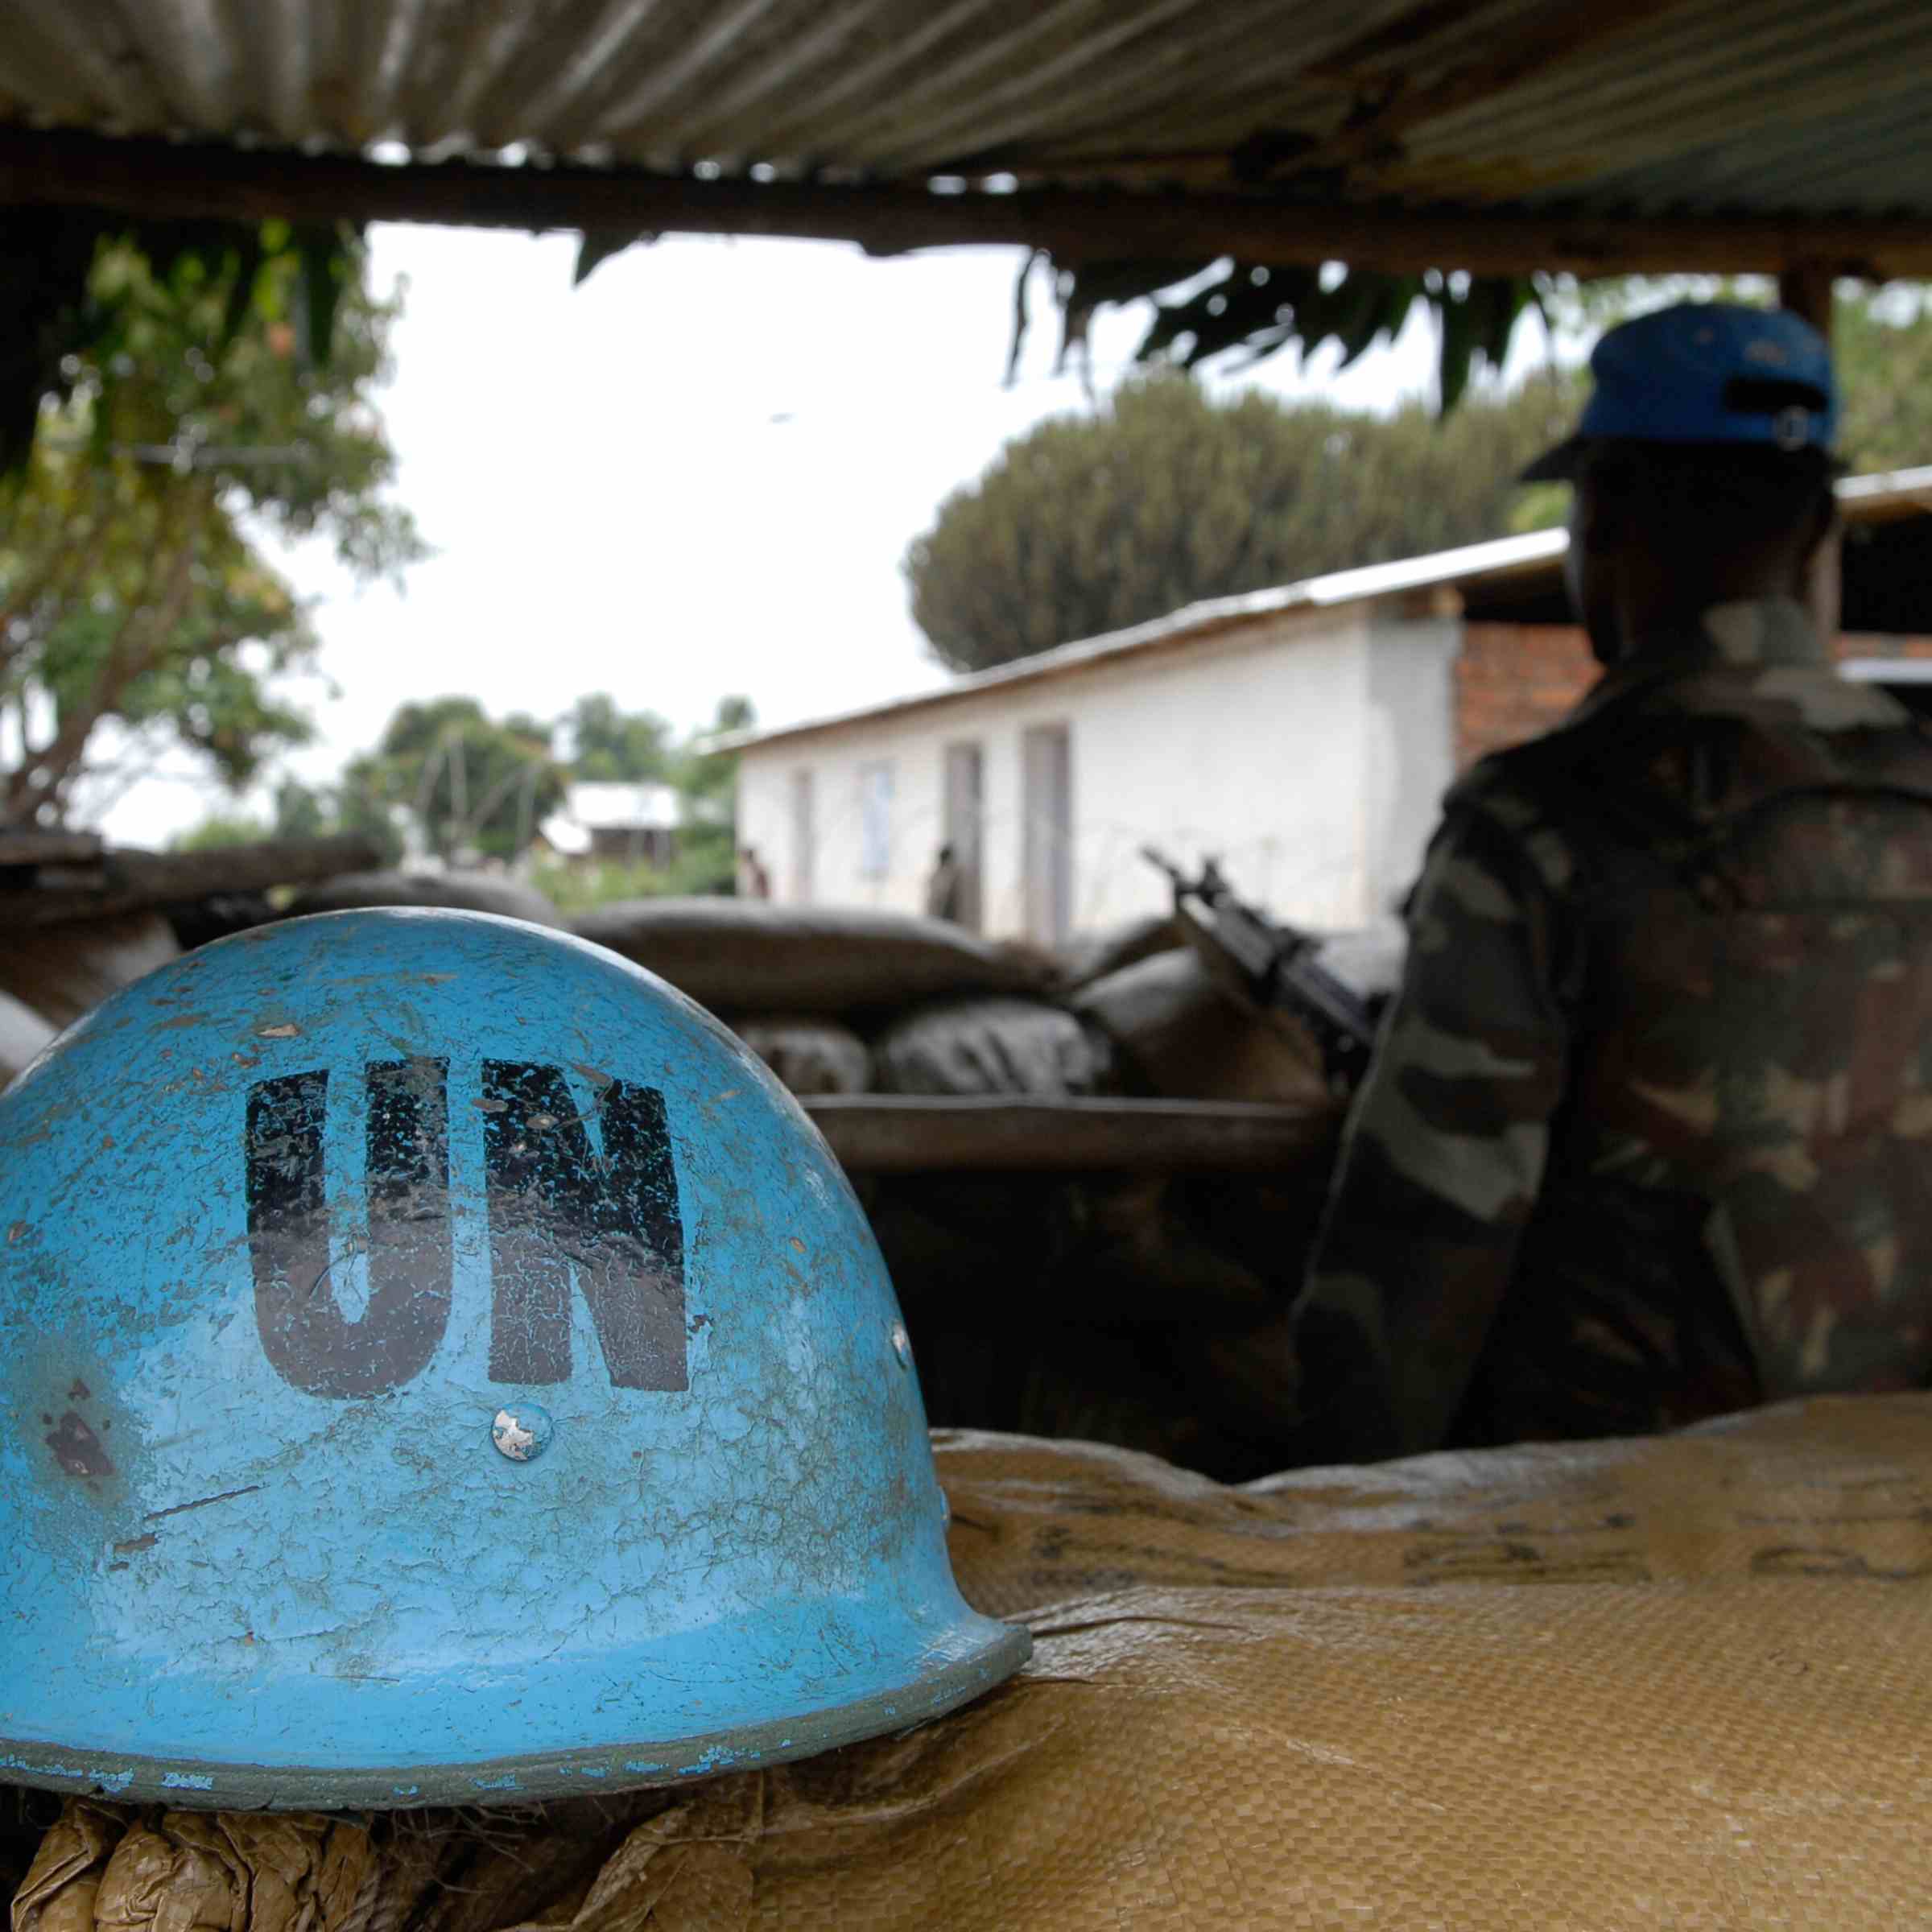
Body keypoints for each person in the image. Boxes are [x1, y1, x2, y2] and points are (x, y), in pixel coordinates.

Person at [1261, 302, 1932, 1465]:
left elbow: (1424, 1237)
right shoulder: (1917, 781)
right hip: (1897, 1513)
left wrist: (1335, 1521)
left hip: (1624, 1540)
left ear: (1606, 511)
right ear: (1819, 523)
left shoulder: (1538, 823)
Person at [925, 841, 965, 922]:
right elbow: (938, 898)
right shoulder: (943, 876)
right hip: (941, 916)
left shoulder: (937, 876)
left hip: (943, 916)